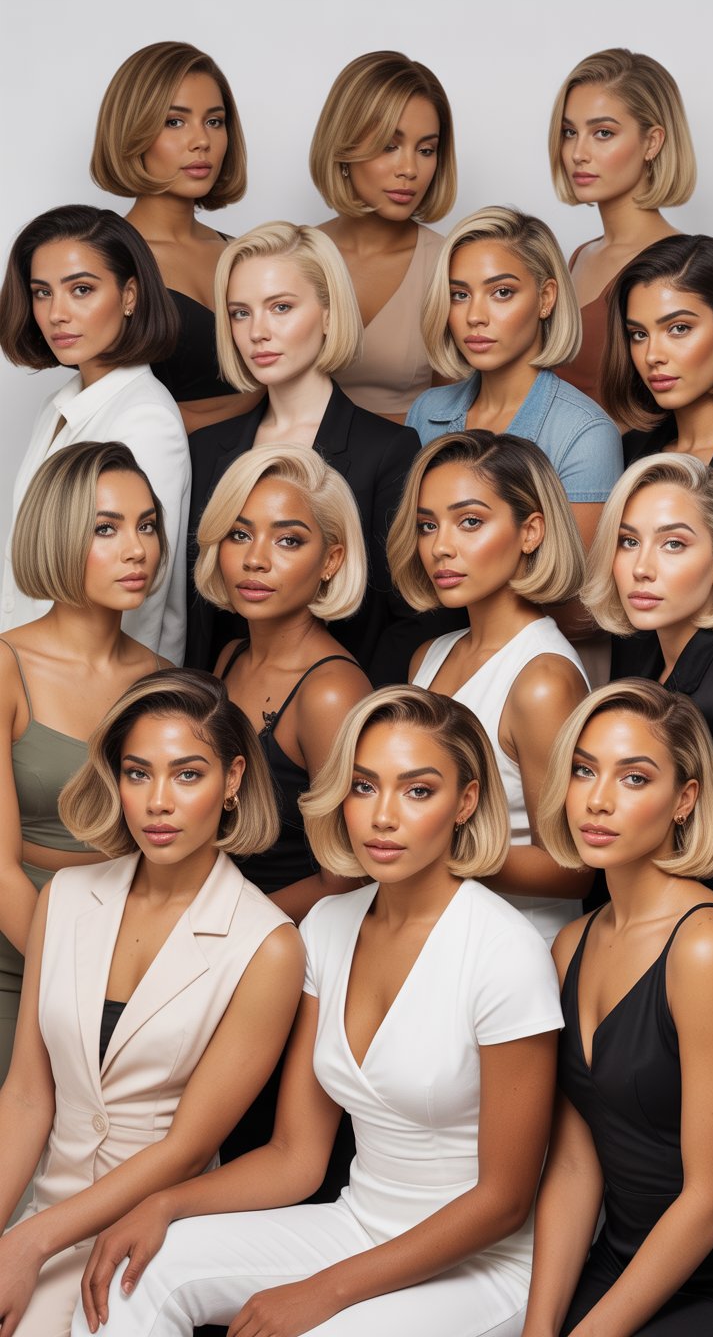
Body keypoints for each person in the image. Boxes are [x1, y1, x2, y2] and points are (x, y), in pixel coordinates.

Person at [73, 685, 563, 1337]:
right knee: (137, 1272)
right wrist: (163, 1205)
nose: (383, 816)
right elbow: (296, 1157)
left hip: (480, 1266)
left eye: (417, 791)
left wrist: (322, 1293)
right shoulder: (329, 926)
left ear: (465, 802)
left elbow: (504, 1203)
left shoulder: (507, 954)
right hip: (354, 1226)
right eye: (365, 787)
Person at [0, 668, 302, 1337]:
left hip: (151, 1233)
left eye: (187, 775)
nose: (157, 801)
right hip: (40, 1203)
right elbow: (25, 1095)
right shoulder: (66, 899)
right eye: (138, 774)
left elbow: (188, 1149)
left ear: (231, 781)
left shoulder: (268, 946)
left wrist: (30, 1244)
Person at [522, 679, 713, 1335]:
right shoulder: (570, 945)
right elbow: (576, 1163)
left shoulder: (708, 946)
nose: (597, 800)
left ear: (684, 799)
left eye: (634, 779)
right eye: (583, 769)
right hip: (623, 1257)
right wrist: (540, 1327)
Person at [0, 441, 172, 1085]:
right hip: (23, 950)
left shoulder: (165, 682)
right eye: (107, 528)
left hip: (142, 946)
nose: (137, 549)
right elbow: (0, 869)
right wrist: (79, 983)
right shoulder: (6, 668)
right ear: (56, 535)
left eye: (147, 525)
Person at [184, 221, 423, 683]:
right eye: (239, 313)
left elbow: (411, 617)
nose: (258, 332)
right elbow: (198, 617)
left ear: (330, 315)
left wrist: (353, 715)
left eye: (281, 307)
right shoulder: (207, 449)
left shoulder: (389, 450)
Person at [389, 429, 591, 943]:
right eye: (427, 525)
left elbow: (572, 869)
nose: (441, 547)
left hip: (512, 946)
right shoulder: (428, 658)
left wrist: (437, 847)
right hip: (431, 930)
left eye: (470, 522)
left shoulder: (542, 680)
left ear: (531, 531)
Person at [583, 453, 713, 958]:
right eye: (628, 541)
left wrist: (704, 889)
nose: (642, 568)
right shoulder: (645, 664)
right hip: (657, 939)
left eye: (673, 544)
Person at [0, 204, 190, 662]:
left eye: (80, 289)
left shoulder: (145, 418)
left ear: (129, 295)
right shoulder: (61, 404)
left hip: (96, 686)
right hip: (34, 665)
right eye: (42, 293)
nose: (56, 314)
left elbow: (142, 584)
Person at [195, 442, 372, 917]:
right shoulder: (231, 657)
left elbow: (348, 876)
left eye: (288, 540)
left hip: (281, 945)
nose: (256, 559)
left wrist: (225, 928)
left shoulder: (330, 691)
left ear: (332, 560)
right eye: (238, 534)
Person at [406, 206, 622, 554]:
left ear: (546, 299)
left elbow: (574, 591)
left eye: (501, 292)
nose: (475, 317)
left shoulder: (585, 433)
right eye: (460, 294)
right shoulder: (427, 412)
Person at [602, 233, 713, 658]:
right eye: (638, 334)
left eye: (678, 328)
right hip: (629, 706)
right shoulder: (624, 454)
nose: (652, 355)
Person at [91, 40, 256, 433]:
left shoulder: (245, 254)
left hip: (266, 477)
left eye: (214, 121)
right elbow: (109, 414)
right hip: (164, 482)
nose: (201, 141)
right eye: (175, 121)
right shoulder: (103, 259)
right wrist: (266, 393)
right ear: (133, 131)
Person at [310, 50, 456, 423]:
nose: (409, 169)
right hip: (298, 468)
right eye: (389, 145)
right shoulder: (292, 257)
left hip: (410, 463)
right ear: (344, 147)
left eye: (426, 150)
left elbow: (452, 411)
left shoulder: (449, 262)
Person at [548, 48, 696, 410]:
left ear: (652, 142)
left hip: (630, 464)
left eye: (602, 132)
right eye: (569, 132)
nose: (578, 152)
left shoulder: (682, 265)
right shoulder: (580, 255)